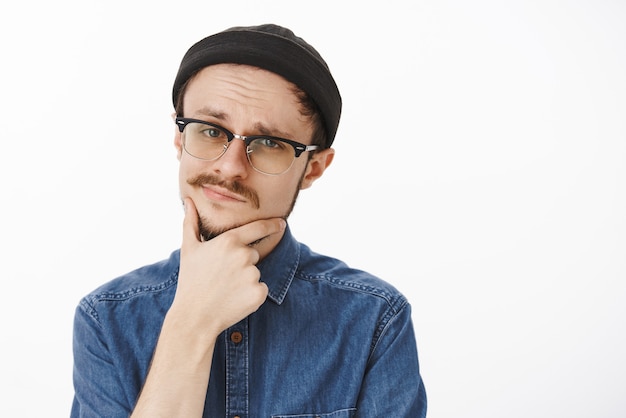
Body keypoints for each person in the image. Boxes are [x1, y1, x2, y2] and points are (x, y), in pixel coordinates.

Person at [71, 23, 427, 417]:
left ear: (313, 168)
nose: (230, 167)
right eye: (210, 130)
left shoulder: (374, 320)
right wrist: (191, 321)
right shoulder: (107, 320)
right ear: (178, 139)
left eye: (270, 143)